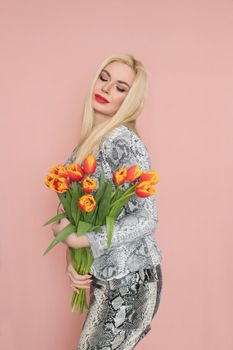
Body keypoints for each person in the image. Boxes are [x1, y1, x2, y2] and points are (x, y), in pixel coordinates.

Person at [51, 53, 163, 349]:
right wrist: (72, 261)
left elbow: (146, 218)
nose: (106, 89)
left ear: (130, 99)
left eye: (120, 87)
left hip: (132, 282)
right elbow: (70, 210)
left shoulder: (123, 141)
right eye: (104, 78)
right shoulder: (88, 144)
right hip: (106, 280)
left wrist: (86, 240)